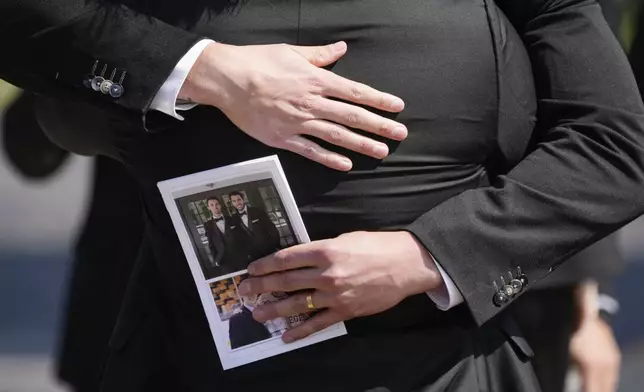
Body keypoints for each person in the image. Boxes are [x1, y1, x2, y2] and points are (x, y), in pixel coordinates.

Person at [3, 1, 644, 391]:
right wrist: (201, 71)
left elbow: (615, 142)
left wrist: (425, 257)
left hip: (443, 365)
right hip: (190, 361)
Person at [229, 190, 281, 262]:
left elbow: (272, 228)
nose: (237, 203)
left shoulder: (257, 211)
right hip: (253, 255)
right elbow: (238, 239)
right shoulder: (234, 219)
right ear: (232, 203)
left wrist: (276, 246)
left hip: (269, 249)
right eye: (234, 201)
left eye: (239, 199)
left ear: (243, 199)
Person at [202, 196, 246, 277]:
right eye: (212, 205)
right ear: (208, 208)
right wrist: (216, 260)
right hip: (223, 260)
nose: (215, 207)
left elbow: (242, 237)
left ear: (220, 205)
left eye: (217, 204)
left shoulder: (232, 219)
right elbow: (211, 244)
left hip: (240, 257)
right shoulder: (208, 225)